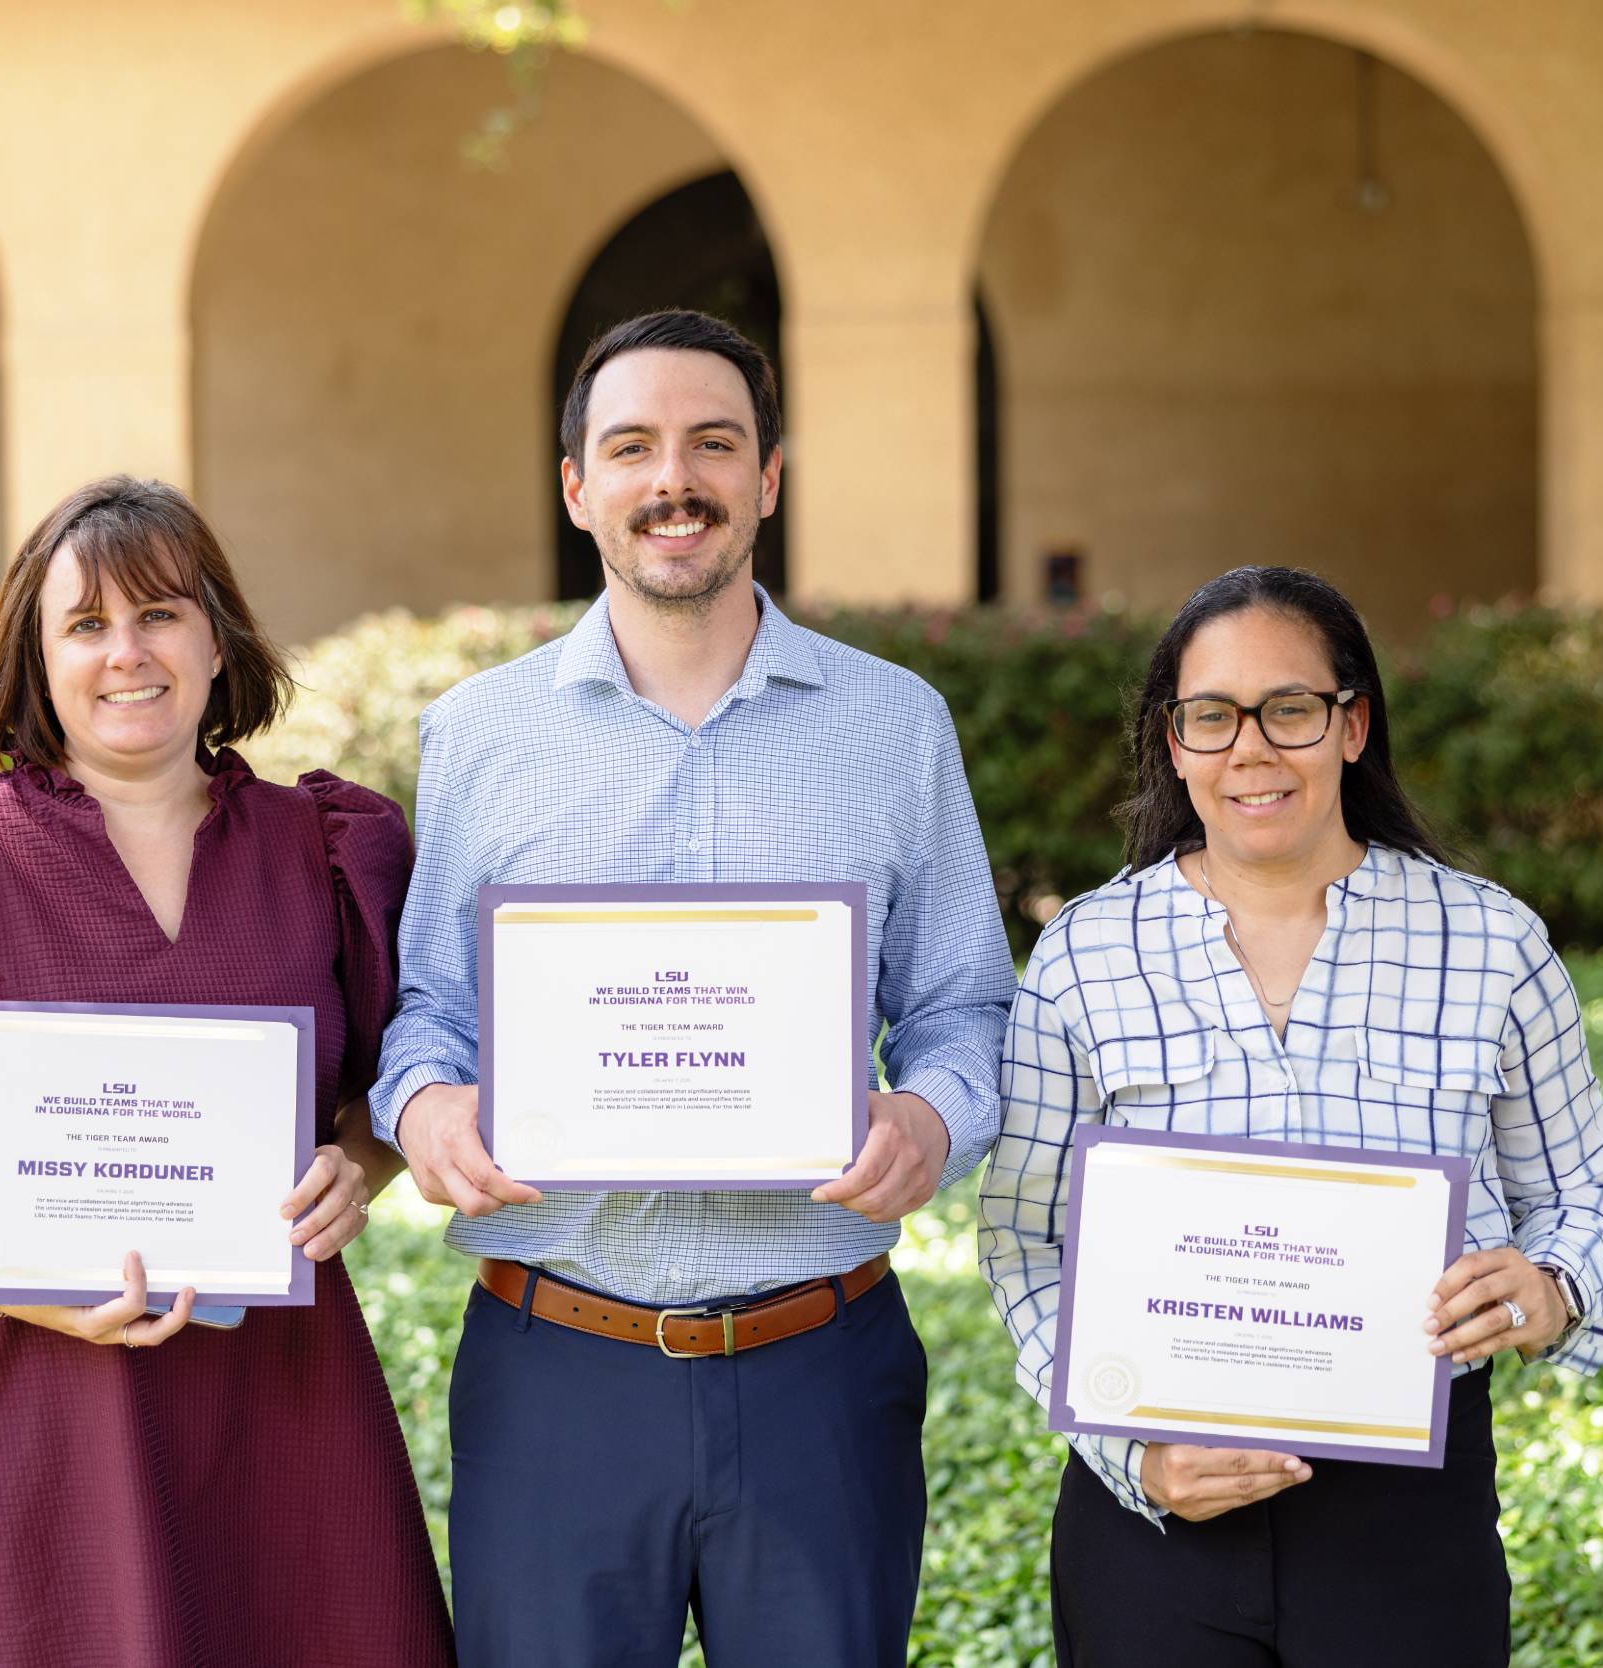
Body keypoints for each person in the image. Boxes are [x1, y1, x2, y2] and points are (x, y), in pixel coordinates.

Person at [368, 309, 1016, 1667]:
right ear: (577, 486)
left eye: (714, 443)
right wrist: (428, 1110)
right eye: (634, 446)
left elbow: (965, 1007)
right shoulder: (480, 735)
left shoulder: (894, 725)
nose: (677, 479)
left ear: (769, 477)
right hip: (554, 1364)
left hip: (818, 1369)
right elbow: (430, 1006)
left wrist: (932, 1122)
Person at [0, 477, 455, 1668]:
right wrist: (11, 1279)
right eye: (85, 625)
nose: (125, 654)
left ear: (215, 637)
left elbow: (388, 1095)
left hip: (273, 1391)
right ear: (34, 661)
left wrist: (359, 1163)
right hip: (20, 1386)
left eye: (160, 615)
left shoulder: (331, 849)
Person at [978, 565, 1603, 1668]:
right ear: (1173, 741)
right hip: (1159, 1519)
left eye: (1289, 709)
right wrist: (1132, 1455)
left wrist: (1551, 1286)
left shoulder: (1489, 943)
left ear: (1351, 725)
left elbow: (1581, 1192)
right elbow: (1024, 1242)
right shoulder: (1083, 957)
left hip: (1406, 1517)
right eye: (1211, 717)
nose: (1251, 750)